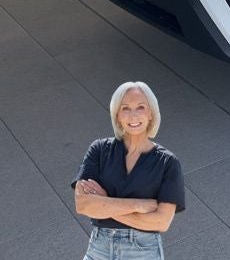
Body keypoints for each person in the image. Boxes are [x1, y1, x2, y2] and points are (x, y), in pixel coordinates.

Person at [72, 81, 185, 259]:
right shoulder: (99, 150)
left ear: (151, 114)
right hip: (99, 249)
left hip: (143, 251)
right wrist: (139, 205)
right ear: (117, 116)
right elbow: (83, 204)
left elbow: (161, 222)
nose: (133, 115)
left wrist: (105, 203)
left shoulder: (168, 163)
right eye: (125, 108)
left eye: (140, 107)